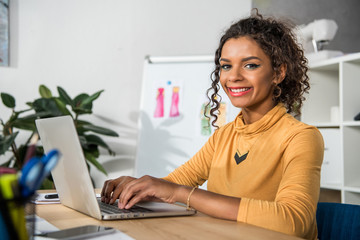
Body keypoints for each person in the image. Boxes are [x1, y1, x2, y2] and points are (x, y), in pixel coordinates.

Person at [101, 9, 324, 240]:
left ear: (278, 73)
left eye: (250, 65)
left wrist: (177, 192)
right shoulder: (224, 136)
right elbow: (175, 184)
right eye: (226, 66)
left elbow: (293, 222)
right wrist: (139, 186)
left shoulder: (301, 137)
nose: (233, 76)